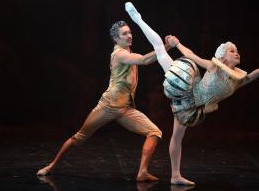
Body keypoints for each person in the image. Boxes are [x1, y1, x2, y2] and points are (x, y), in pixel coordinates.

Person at [125, 2, 259, 185]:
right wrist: (177, 44)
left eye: (237, 51)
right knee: (160, 49)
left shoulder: (237, 80)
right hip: (186, 87)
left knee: (177, 137)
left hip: (194, 108)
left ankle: (175, 176)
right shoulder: (214, 66)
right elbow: (193, 56)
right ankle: (137, 18)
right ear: (223, 56)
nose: (237, 53)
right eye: (233, 51)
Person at [37, 20, 178, 182]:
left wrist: (165, 47)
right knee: (79, 138)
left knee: (154, 133)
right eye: (124, 33)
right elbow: (145, 60)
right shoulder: (119, 54)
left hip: (125, 109)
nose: (129, 35)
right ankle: (52, 165)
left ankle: (142, 172)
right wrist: (167, 47)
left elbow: (147, 58)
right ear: (116, 39)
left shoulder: (129, 53)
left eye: (130, 32)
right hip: (108, 106)